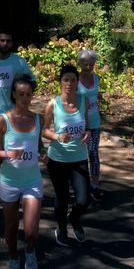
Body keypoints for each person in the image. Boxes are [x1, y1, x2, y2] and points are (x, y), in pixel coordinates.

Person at [0, 76, 44, 269]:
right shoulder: (3, 120)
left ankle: (30, 252)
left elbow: (38, 146)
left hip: (32, 181)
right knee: (11, 227)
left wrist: (43, 155)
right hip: (9, 181)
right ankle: (13, 258)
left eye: (28, 94)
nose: (25, 98)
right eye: (21, 94)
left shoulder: (38, 119)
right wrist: (7, 154)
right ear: (13, 94)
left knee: (30, 231)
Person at [42, 65, 91, 246]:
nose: (69, 83)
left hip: (79, 158)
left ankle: (75, 218)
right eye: (66, 80)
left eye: (73, 80)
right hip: (58, 159)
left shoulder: (83, 100)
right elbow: (44, 130)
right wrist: (57, 136)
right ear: (60, 82)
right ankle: (61, 229)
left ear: (77, 82)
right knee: (62, 198)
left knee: (83, 200)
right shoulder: (52, 104)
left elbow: (86, 124)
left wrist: (87, 132)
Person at [0, 30, 33, 133]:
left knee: (13, 143)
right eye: (2, 40)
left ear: (12, 43)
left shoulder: (19, 62)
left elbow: (32, 81)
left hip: (15, 110)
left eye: (8, 41)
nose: (5, 44)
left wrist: (23, 85)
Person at [77, 49, 104, 200]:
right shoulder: (76, 80)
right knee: (79, 155)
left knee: (93, 152)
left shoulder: (96, 78)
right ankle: (79, 184)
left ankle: (94, 185)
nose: (89, 67)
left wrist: (98, 96)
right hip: (79, 123)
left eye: (92, 63)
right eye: (86, 64)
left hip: (94, 121)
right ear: (80, 64)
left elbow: (95, 93)